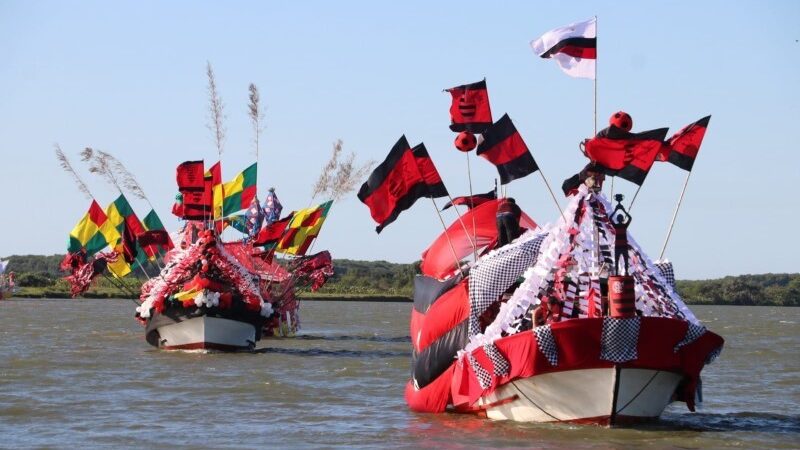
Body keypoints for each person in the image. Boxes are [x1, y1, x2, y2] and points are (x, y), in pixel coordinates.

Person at [612, 195, 632, 276]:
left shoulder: (623, 226)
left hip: (621, 246)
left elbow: (630, 218)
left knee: (625, 260)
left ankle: (625, 272)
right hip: (620, 246)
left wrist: (621, 210)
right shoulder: (618, 226)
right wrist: (620, 210)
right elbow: (630, 218)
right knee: (619, 261)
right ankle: (618, 273)